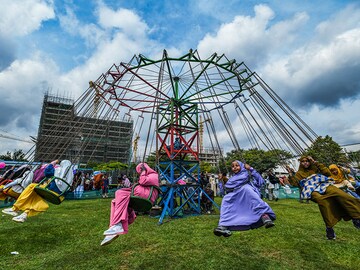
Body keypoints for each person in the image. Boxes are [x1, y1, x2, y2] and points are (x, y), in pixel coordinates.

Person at [285, 155, 360, 240]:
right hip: (311, 188)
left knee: (340, 194)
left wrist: (315, 162)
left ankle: (356, 216)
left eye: (307, 161)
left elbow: (327, 173)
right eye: (303, 161)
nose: (305, 163)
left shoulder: (315, 168)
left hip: (323, 184)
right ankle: (329, 227)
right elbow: (296, 184)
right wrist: (290, 174)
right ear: (301, 163)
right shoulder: (299, 173)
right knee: (322, 201)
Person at [100, 162, 159, 246]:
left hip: (145, 194)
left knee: (120, 193)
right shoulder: (147, 175)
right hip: (139, 192)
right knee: (114, 201)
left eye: (140, 170)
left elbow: (143, 181)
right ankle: (113, 228)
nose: (140, 172)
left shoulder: (154, 175)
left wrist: (143, 172)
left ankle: (118, 225)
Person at [214, 160, 276, 237]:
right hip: (237, 195)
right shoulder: (231, 179)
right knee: (226, 198)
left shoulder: (248, 174)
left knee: (247, 189)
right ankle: (223, 225)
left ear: (242, 166)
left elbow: (260, 181)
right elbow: (224, 192)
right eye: (233, 166)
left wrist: (251, 169)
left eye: (237, 165)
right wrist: (220, 181)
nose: (235, 168)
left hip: (247, 193)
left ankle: (265, 216)